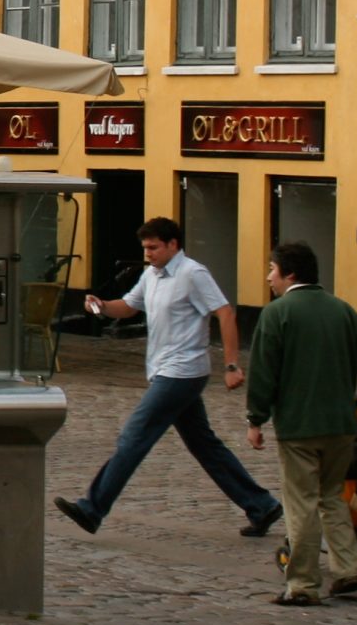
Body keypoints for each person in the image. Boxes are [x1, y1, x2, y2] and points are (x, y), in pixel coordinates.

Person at [58, 217, 283, 539]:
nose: (148, 254)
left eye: (153, 247)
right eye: (145, 248)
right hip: (164, 369)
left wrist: (232, 365)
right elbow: (129, 307)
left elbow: (225, 312)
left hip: (182, 372)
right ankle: (261, 505)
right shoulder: (151, 274)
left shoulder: (193, 273)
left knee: (134, 436)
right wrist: (102, 306)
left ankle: (93, 508)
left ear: (173, 245)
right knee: (204, 444)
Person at [246, 243, 357, 605]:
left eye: (272, 269)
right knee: (332, 497)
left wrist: (256, 418)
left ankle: (302, 583)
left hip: (299, 426)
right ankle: (347, 568)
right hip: (341, 424)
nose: (269, 277)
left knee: (301, 502)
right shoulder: (341, 310)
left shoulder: (277, 314)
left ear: (290, 274)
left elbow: (263, 371)